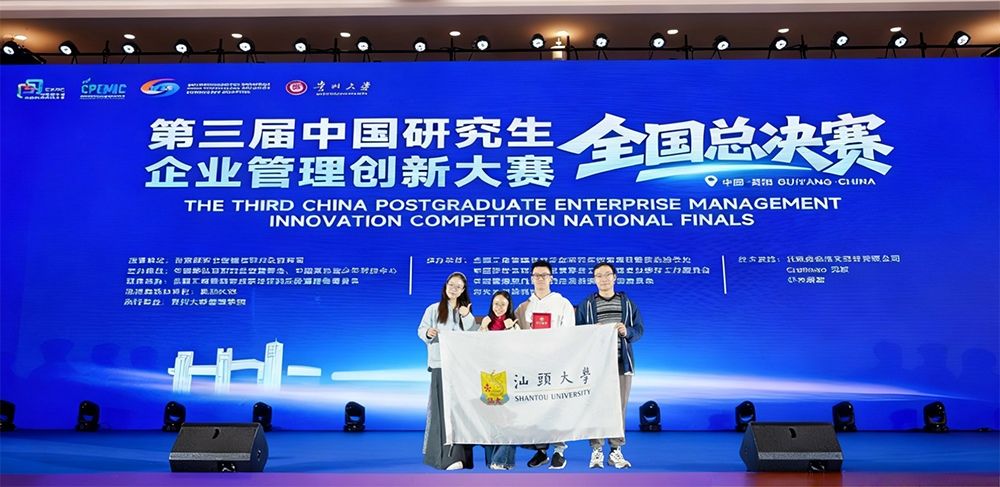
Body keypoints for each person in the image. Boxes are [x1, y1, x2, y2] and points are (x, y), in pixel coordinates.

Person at [575, 262, 644, 469]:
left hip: (622, 362)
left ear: (615, 277)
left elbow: (639, 329)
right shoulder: (587, 305)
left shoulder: (627, 303)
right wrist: (591, 332)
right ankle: (596, 450)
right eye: (599, 275)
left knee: (619, 408)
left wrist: (627, 331)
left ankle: (616, 450)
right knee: (595, 406)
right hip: (596, 365)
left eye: (607, 274)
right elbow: (577, 332)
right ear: (594, 279)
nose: (603, 279)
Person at [514, 260, 576, 469]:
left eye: (544, 275)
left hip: (556, 363)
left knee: (558, 406)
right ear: (531, 279)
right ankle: (541, 451)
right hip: (532, 364)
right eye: (536, 275)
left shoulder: (563, 304)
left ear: (551, 278)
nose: (540, 279)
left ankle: (559, 450)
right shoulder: (524, 307)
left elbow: (570, 335)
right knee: (536, 407)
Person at [418, 272, 477, 470]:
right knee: (441, 412)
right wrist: (428, 332)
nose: (454, 289)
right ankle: (444, 458)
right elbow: (421, 330)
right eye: (451, 285)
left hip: (460, 368)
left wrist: (466, 316)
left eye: (458, 286)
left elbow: (474, 335)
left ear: (463, 290)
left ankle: (461, 457)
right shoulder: (433, 309)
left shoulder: (464, 311)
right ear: (445, 286)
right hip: (441, 365)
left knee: (460, 412)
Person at [478, 290, 520, 470]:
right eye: (496, 303)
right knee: (490, 419)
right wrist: (483, 328)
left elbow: (520, 349)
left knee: (508, 419)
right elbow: (476, 348)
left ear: (509, 306)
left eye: (503, 304)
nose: (499, 307)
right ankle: (492, 460)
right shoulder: (486, 324)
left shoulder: (514, 325)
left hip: (508, 376)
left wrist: (510, 329)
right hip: (489, 376)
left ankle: (503, 460)